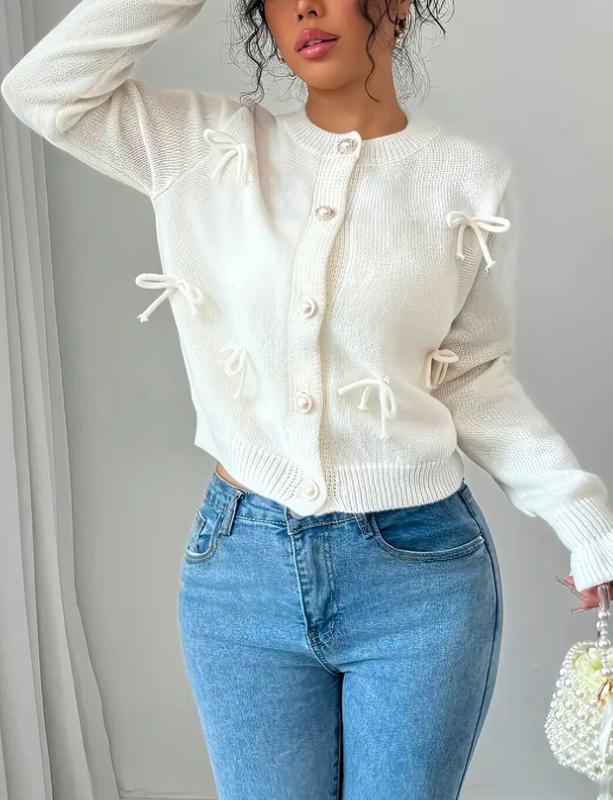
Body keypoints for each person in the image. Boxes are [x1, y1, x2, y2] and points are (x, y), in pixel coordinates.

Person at [2, 1, 612, 797]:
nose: (305, 9)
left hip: (418, 575)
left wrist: (584, 522)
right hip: (241, 572)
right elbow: (42, 88)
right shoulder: (202, 148)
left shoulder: (465, 176)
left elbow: (468, 374)